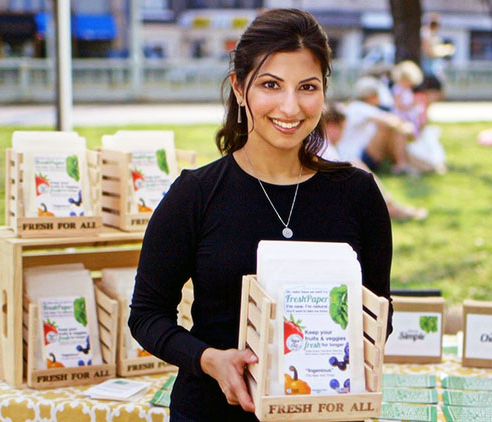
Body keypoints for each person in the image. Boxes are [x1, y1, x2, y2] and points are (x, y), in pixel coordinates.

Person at [128, 9, 393, 422]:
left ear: (324, 92)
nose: (290, 106)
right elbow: (146, 315)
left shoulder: (357, 194)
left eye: (308, 87)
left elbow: (379, 311)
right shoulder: (196, 195)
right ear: (238, 87)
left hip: (326, 413)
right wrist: (209, 359)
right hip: (213, 412)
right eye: (271, 85)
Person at [322, 104, 428, 221]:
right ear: (332, 126)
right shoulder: (324, 146)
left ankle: (391, 206)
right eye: (342, 128)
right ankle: (390, 208)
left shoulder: (325, 146)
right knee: (356, 166)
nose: (342, 134)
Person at [336, 76, 418, 175]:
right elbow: (389, 120)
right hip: (356, 157)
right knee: (389, 128)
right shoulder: (358, 107)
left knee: (394, 129)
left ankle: (401, 164)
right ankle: (401, 164)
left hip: (363, 155)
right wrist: (407, 128)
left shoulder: (360, 108)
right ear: (371, 96)